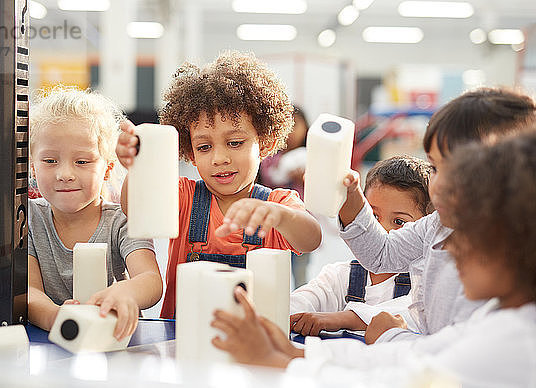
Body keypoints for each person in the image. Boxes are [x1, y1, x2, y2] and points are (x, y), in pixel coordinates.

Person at [211, 131, 536, 387]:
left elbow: (399, 381)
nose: (449, 249)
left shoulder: (513, 342)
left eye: (467, 236)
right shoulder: (493, 320)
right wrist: (299, 353)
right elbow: (412, 357)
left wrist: (281, 363)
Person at [116, 51, 322, 318]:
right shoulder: (184, 197)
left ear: (266, 144)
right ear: (190, 153)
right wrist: (137, 167)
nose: (220, 159)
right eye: (204, 147)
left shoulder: (278, 204)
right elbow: (135, 207)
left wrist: (281, 217)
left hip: (253, 344)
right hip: (181, 339)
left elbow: (311, 239)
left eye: (235, 143)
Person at [338, 87, 536, 343]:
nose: (438, 185)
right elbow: (381, 254)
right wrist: (350, 196)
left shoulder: (502, 260)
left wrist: (391, 337)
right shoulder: (437, 224)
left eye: (458, 170)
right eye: (434, 167)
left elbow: (459, 354)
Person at [27, 86, 163, 340]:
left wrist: (124, 293)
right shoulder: (30, 218)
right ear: (33, 167)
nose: (65, 174)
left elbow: (151, 280)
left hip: (114, 340)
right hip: (53, 341)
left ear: (108, 169)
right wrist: (58, 318)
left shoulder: (122, 220)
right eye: (49, 161)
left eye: (82, 161)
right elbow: (30, 292)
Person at [290, 156, 432, 336]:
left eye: (398, 221)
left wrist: (341, 319)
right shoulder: (343, 276)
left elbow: (411, 314)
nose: (381, 229)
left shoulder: (425, 284)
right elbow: (308, 298)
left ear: (424, 230)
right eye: (373, 217)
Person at [258, 106, 310, 288]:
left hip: (300, 222)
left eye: (296, 125)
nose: (291, 132)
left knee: (300, 269)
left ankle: (299, 305)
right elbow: (267, 177)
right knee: (274, 268)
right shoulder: (270, 156)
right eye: (287, 125)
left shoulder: (310, 156)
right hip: (273, 225)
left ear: (306, 128)